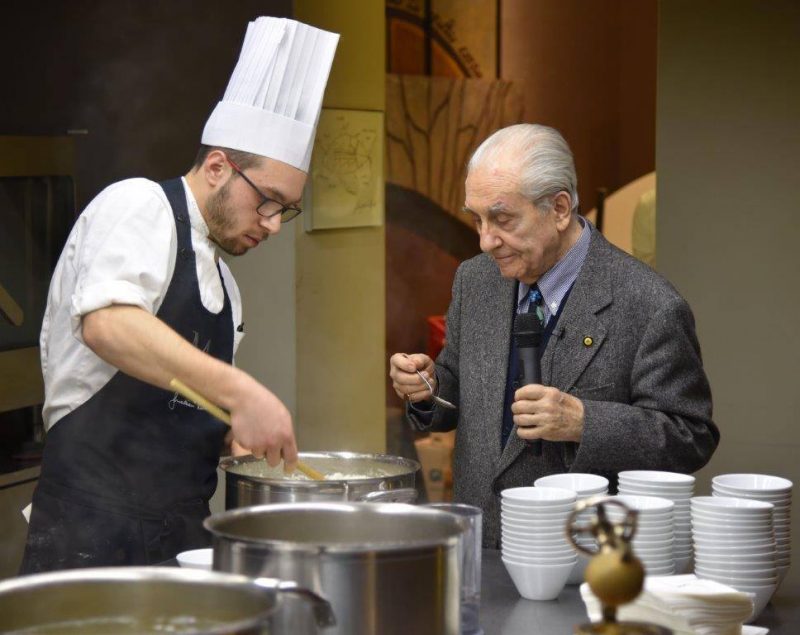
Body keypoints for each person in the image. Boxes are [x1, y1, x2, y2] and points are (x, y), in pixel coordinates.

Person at [21, 17, 339, 573]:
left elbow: (169, 404)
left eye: (286, 210)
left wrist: (226, 435)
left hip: (182, 541)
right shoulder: (139, 205)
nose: (273, 224)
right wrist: (244, 394)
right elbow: (108, 324)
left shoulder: (225, 287)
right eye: (268, 201)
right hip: (91, 538)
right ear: (218, 166)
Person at [389, 124, 718, 548]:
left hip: (583, 556)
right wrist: (426, 388)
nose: (486, 240)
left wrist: (584, 422)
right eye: (477, 219)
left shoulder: (648, 303)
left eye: (502, 218)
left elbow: (690, 437)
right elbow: (459, 390)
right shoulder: (475, 280)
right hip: (483, 547)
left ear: (559, 208)